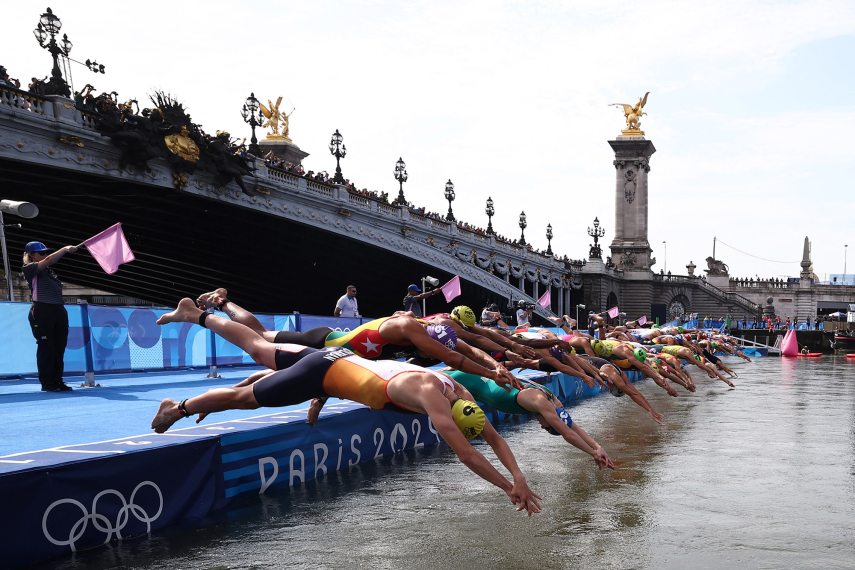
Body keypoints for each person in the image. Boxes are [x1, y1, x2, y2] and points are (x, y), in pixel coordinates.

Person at [151, 301, 541, 516]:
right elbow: (468, 452)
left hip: (335, 357)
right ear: (449, 416)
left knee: (257, 348)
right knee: (242, 399)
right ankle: (177, 408)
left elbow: (488, 435)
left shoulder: (455, 391)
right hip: (322, 372)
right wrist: (507, 487)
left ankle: (197, 314)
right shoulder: (433, 398)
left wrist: (519, 477)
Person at [195, 289, 522, 389]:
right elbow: (454, 357)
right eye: (430, 349)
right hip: (325, 342)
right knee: (258, 341)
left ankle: (221, 306)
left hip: (335, 350)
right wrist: (494, 373)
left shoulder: (426, 326)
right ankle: (222, 303)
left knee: (266, 351)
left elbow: (468, 347)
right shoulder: (410, 329)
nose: (429, 353)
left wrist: (496, 364)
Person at [446, 371, 615, 469]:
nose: (542, 428)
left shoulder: (555, 402)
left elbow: (573, 427)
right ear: (551, 420)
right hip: (465, 381)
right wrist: (592, 453)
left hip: (473, 380)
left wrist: (598, 447)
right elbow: (568, 434)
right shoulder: (541, 403)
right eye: (548, 428)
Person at [21, 241, 79, 392]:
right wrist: (65, 248)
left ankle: (57, 380)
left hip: (58, 310)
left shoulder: (50, 272)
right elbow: (49, 260)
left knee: (59, 348)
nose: (45, 255)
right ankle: (47, 382)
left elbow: (48, 262)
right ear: (31, 255)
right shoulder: (29, 268)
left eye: (46, 252)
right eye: (41, 253)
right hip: (42, 310)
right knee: (46, 347)